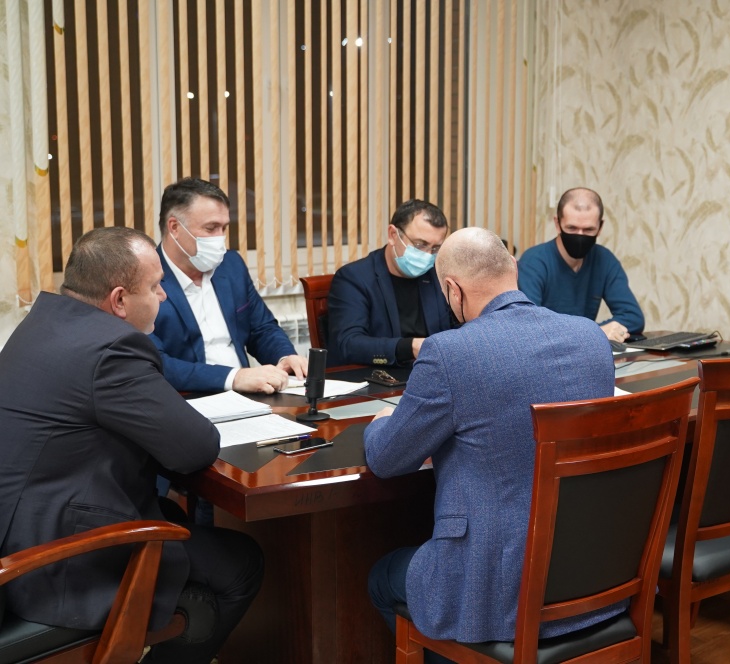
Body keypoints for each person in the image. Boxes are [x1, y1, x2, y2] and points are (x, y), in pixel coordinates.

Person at [0, 227, 263, 664]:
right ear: (119, 300)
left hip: (21, 529)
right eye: (155, 286)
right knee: (241, 562)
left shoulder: (42, 321)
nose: (163, 295)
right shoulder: (112, 348)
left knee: (174, 515)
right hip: (54, 567)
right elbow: (196, 448)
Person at [365, 227, 620, 645]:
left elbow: (387, 459)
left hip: (497, 590)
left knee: (382, 577)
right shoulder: (591, 336)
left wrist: (380, 423)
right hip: (595, 571)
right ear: (513, 268)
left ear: (453, 290)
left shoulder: (449, 352)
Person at [150, 177, 308, 393]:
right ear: (175, 227)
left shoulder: (231, 265)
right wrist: (233, 377)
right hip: (186, 398)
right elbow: (157, 363)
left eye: (224, 228)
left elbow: (262, 328)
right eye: (211, 228)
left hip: (248, 395)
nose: (221, 239)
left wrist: (285, 356)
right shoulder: (144, 279)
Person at [326, 199, 453, 366]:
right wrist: (410, 347)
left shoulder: (438, 274)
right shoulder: (354, 278)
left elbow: (457, 326)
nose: (428, 255)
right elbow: (349, 344)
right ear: (393, 235)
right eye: (420, 245)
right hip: (379, 374)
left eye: (435, 248)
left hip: (432, 372)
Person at [517, 187, 644, 343]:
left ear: (600, 227)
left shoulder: (604, 259)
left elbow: (633, 317)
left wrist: (591, 333)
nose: (580, 236)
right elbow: (529, 326)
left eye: (589, 229)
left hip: (585, 352)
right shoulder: (533, 262)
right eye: (572, 228)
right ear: (557, 224)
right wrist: (596, 332)